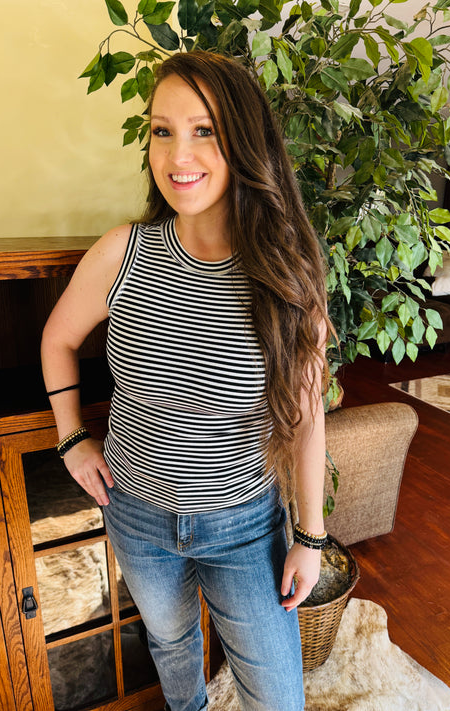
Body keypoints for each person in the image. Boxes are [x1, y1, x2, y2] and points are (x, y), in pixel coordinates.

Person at [41, 50, 333, 711]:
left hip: (244, 525)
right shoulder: (124, 252)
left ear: (243, 140)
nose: (178, 155)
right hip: (135, 512)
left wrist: (309, 537)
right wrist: (71, 439)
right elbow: (56, 339)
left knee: (277, 697)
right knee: (172, 651)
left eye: (203, 130)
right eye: (161, 130)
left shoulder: (287, 274)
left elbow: (309, 415)